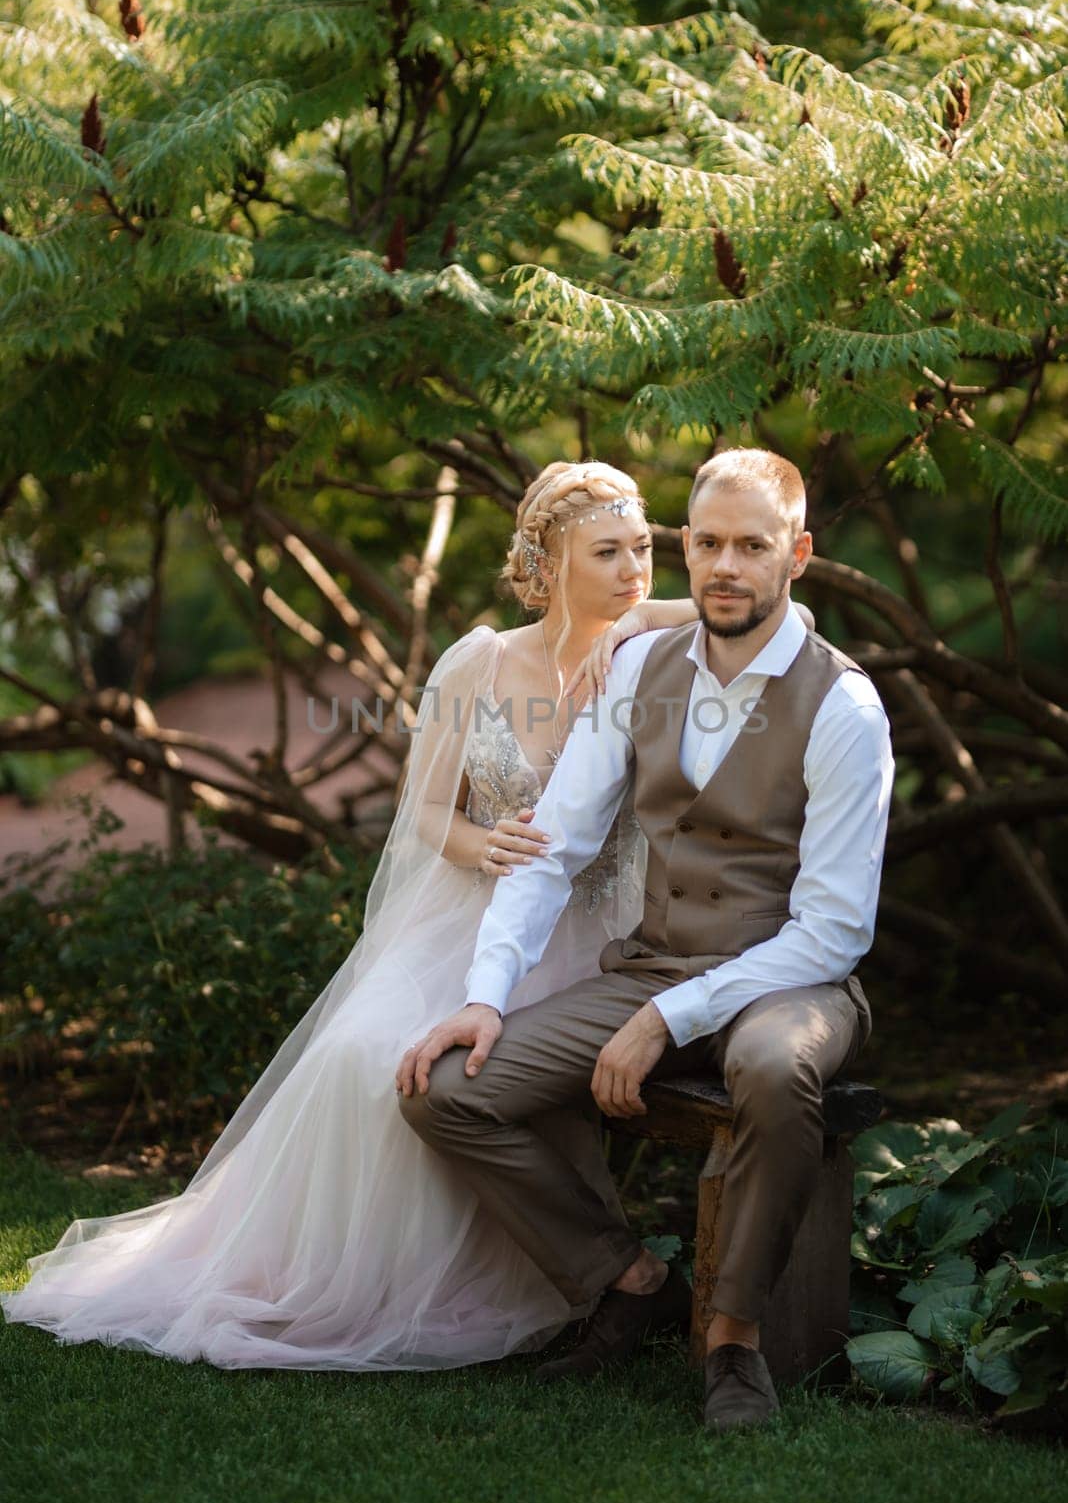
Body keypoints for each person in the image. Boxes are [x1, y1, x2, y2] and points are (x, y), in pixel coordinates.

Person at [0, 460, 708, 1369]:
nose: (633, 570)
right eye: (607, 553)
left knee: (459, 1070)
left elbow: (765, 610)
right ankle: (330, 1276)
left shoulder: (654, 654)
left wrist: (644, 617)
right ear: (552, 561)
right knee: (359, 1053)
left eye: (643, 550)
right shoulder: (481, 661)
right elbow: (423, 813)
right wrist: (480, 845)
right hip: (466, 912)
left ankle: (542, 1280)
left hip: (588, 937)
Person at [397, 447, 894, 1430]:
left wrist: (668, 1018)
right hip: (659, 961)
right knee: (448, 1093)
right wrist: (487, 994)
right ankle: (626, 1277)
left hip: (792, 982)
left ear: (796, 554)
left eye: (752, 544)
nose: (724, 564)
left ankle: (733, 1341)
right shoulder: (639, 667)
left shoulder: (844, 704)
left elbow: (833, 931)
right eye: (706, 541)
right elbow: (552, 848)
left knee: (767, 1064)